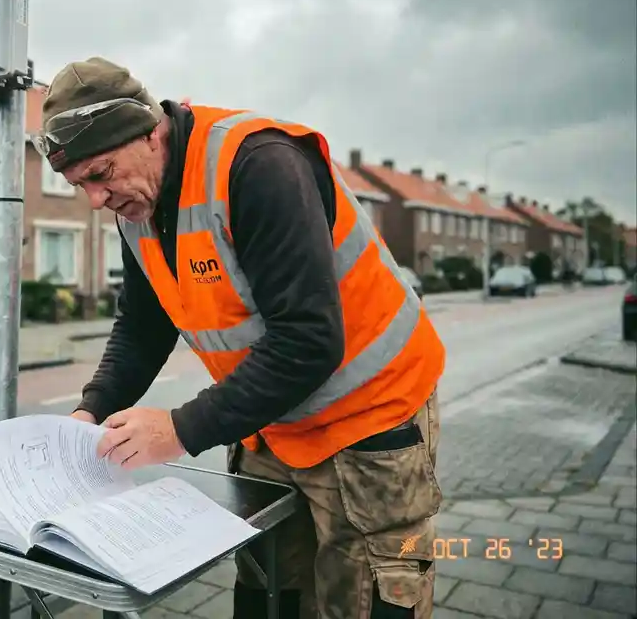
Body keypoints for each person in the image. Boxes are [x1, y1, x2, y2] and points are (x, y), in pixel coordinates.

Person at [33, 57, 446, 619]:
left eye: (100, 174)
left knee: (365, 599)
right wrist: (93, 409)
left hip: (369, 419)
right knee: (268, 594)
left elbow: (308, 340)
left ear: (151, 133)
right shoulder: (137, 203)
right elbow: (143, 324)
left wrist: (179, 429)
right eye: (78, 184)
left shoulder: (258, 166)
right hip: (271, 425)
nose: (95, 201)